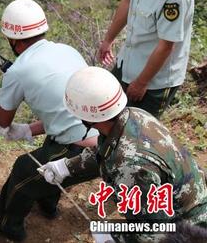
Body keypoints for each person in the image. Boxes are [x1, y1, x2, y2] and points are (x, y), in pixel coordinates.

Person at [0, 0, 99, 241]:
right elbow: (66, 113)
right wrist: (28, 130)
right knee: (50, 148)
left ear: (12, 39)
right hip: (105, 135)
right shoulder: (67, 50)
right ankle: (48, 203)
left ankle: (6, 224)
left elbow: (2, 119)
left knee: (23, 172)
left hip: (86, 153)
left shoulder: (17, 71)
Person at [39, 67, 207, 243]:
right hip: (186, 204)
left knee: (106, 230)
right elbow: (109, 149)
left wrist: (117, 238)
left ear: (86, 117)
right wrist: (67, 166)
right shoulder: (132, 115)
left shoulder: (130, 166)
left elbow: (155, 230)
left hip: (187, 229)